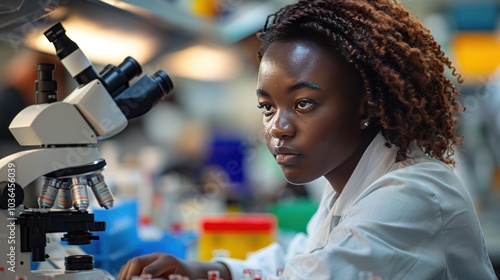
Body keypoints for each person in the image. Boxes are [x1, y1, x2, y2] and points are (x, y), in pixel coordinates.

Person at [118, 0, 497, 279]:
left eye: (303, 103)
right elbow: (301, 258)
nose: (278, 127)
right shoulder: (350, 184)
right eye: (267, 107)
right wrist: (210, 269)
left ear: (366, 105)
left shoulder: (410, 194)